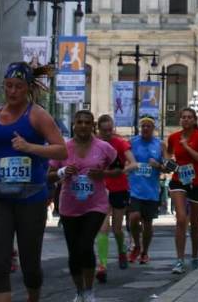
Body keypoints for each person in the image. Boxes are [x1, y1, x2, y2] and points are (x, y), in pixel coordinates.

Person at [0, 61, 67, 302]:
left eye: (18, 86)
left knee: (30, 263)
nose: (13, 91)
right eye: (8, 86)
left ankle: (33, 297)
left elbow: (61, 151)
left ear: (27, 88)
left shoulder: (37, 115)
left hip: (30, 198)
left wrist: (30, 147)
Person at [49, 110, 121, 302]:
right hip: (69, 206)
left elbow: (119, 168)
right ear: (74, 124)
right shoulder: (64, 148)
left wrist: (103, 174)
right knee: (74, 252)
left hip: (95, 205)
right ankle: (79, 290)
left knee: (85, 244)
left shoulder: (104, 147)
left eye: (87, 123)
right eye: (79, 122)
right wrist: (63, 171)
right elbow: (48, 175)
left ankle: (89, 290)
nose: (82, 126)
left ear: (93, 126)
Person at [167, 107, 198, 274]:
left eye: (189, 117)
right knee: (181, 218)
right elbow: (168, 155)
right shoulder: (173, 137)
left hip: (197, 182)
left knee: (196, 224)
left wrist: (188, 147)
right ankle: (179, 259)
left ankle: (195, 255)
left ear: (194, 120)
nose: (185, 120)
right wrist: (167, 164)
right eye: (183, 117)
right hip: (178, 181)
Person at [93, 114, 135, 281]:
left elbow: (134, 163)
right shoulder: (94, 143)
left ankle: (122, 251)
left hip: (119, 188)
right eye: (104, 131)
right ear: (99, 130)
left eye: (110, 130)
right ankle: (102, 265)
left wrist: (121, 171)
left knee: (117, 228)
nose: (108, 133)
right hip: (101, 189)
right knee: (103, 228)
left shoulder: (120, 143)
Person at [125, 116, 163, 265]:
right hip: (135, 189)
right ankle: (136, 245)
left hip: (152, 191)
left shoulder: (159, 145)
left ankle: (145, 252)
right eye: (143, 126)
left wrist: (158, 165)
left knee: (148, 224)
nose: (145, 129)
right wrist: (128, 167)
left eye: (148, 126)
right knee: (133, 218)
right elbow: (125, 159)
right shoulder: (132, 143)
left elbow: (167, 166)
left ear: (153, 129)